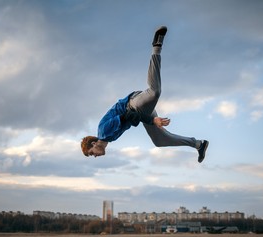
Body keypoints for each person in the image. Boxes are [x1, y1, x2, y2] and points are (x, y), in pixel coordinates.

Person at [81, 26, 209, 163]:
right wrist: (150, 119)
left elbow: (128, 115)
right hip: (141, 112)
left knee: (154, 92)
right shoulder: (109, 138)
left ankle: (156, 46)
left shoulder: (103, 132)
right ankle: (199, 144)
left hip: (133, 104)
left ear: (93, 144)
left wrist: (153, 120)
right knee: (159, 141)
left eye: (91, 153)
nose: (94, 155)